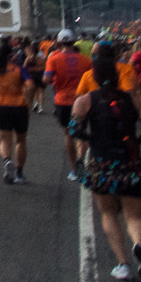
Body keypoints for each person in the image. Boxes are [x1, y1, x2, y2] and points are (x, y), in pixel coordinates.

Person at [69, 43, 141, 282]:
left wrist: (94, 137)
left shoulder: (85, 101)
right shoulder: (133, 99)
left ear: (95, 76)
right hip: (130, 162)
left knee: (108, 213)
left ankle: (123, 264)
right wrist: (137, 138)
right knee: (135, 216)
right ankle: (139, 243)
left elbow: (74, 130)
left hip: (102, 164)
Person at [44, 30, 92, 181]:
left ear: (59, 43)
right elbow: (92, 79)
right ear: (74, 42)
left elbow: (46, 80)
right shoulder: (85, 60)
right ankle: (82, 162)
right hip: (82, 101)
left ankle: (74, 169)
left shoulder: (53, 59)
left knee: (69, 135)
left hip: (62, 101)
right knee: (81, 134)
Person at [0, 40, 33, 184]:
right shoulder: (19, 69)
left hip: (0, 106)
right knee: (20, 140)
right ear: (10, 55)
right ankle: (19, 172)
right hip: (19, 107)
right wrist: (28, 102)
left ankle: (7, 160)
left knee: (4, 140)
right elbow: (30, 86)